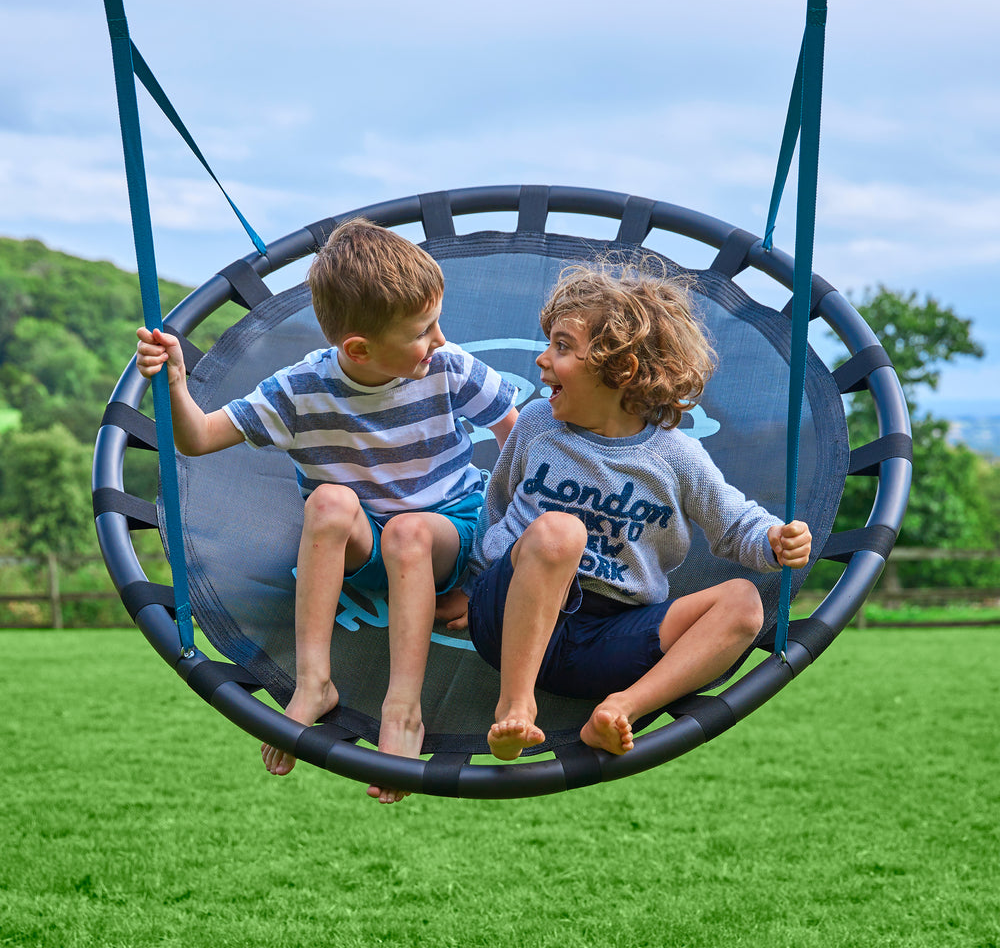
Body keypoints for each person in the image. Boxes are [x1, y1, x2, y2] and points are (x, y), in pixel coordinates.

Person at [136, 218, 518, 801]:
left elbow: (520, 449)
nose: (439, 339)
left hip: (449, 529)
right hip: (368, 544)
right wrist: (176, 386)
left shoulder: (450, 368)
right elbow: (199, 439)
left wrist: (493, 573)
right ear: (359, 349)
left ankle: (404, 710)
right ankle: (314, 682)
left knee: (410, 533)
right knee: (329, 502)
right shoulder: (301, 389)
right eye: (422, 330)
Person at [460, 259, 812, 761]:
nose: (542, 360)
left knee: (743, 604)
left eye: (562, 347)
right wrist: (472, 586)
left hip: (610, 636)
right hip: (513, 613)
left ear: (619, 369)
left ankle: (619, 709)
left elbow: (735, 523)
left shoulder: (675, 457)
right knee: (559, 532)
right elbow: (497, 511)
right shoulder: (538, 426)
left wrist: (775, 540)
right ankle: (516, 706)